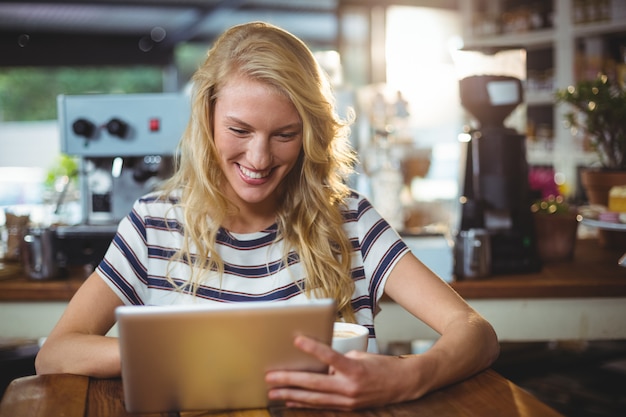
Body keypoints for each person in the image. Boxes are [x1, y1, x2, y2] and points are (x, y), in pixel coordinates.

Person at [35, 21, 499, 410]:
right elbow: (56, 352)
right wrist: (187, 355)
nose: (258, 158)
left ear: (310, 133)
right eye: (239, 129)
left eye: (284, 134)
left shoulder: (351, 221)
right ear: (208, 117)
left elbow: (475, 332)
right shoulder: (153, 223)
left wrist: (410, 377)